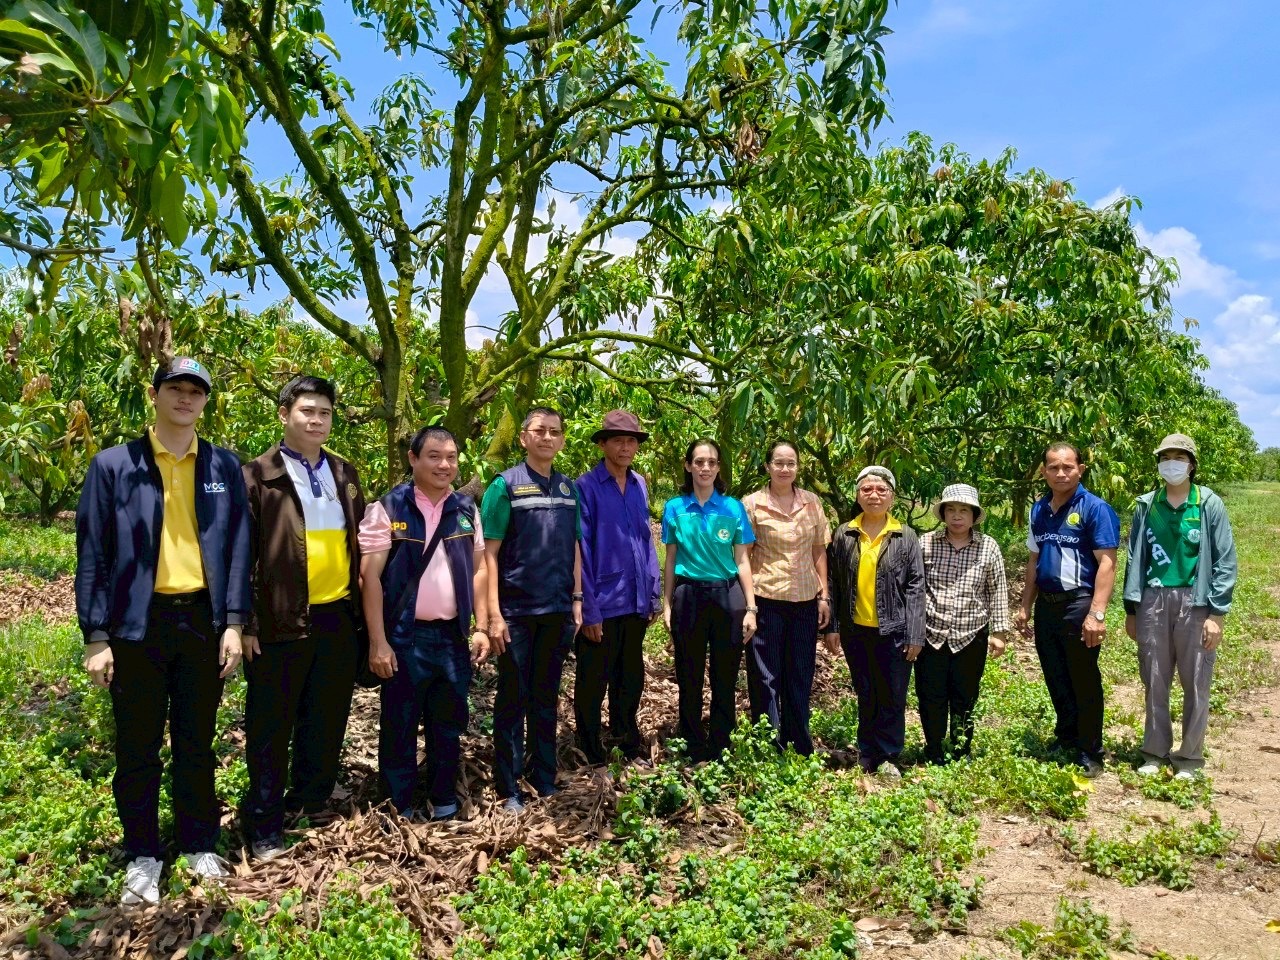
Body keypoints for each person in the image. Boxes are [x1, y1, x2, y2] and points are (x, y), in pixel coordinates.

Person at [75, 357, 250, 905]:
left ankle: (199, 845)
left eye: (196, 391)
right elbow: (93, 552)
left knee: (197, 740)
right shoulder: (114, 465)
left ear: (205, 401)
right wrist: (96, 635)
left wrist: (234, 622)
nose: (185, 398)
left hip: (201, 621)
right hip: (137, 625)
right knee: (139, 744)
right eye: (176, 388)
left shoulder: (223, 466)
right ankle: (143, 855)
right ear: (154, 395)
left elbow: (238, 549)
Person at [239, 376, 366, 860]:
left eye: (324, 413)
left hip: (337, 614)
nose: (316, 420)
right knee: (271, 724)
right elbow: (240, 555)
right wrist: (246, 622)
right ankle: (264, 823)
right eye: (307, 411)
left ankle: (312, 800)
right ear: (284, 414)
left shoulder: (343, 472)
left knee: (327, 714)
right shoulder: (258, 476)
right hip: (280, 617)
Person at [360, 426, 489, 820]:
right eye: (434, 456)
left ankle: (444, 801)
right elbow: (369, 577)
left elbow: (480, 569)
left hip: (452, 637)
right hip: (405, 636)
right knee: (399, 724)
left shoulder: (465, 509)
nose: (444, 465)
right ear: (413, 459)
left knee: (448, 723)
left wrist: (481, 626)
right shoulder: (389, 508)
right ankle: (396, 808)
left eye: (451, 457)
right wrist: (379, 641)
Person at [482, 407, 583, 812]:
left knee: (545, 696)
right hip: (516, 611)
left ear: (562, 440)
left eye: (554, 432)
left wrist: (577, 599)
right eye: (539, 431)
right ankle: (508, 787)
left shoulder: (568, 488)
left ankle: (544, 776)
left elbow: (574, 546)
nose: (547, 438)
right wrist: (493, 614)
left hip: (557, 609)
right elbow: (488, 554)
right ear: (524, 437)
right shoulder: (504, 485)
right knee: (513, 698)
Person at [1122, 434, 1237, 779]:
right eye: (1165, 457)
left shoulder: (1207, 503)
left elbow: (1225, 559)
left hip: (1195, 601)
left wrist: (1216, 613)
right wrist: (1131, 609)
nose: (1171, 463)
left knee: (1196, 680)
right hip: (1153, 600)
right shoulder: (1147, 505)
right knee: (1154, 678)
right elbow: (1134, 557)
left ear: (1192, 464)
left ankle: (1189, 758)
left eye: (1179, 457)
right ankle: (1155, 752)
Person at [1014, 442, 1119, 779]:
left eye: (1068, 467)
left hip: (1079, 603)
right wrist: (1025, 605)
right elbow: (1034, 560)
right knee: (1055, 674)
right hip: (1047, 605)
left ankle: (1090, 749)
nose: (1061, 473)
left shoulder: (1095, 508)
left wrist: (1096, 614)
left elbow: (1107, 563)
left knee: (1083, 677)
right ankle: (1066, 736)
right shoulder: (1039, 509)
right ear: (1044, 472)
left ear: (1080, 470)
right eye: (1053, 467)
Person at [824, 465, 924, 777]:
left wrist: (915, 634)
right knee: (866, 692)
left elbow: (916, 586)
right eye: (867, 489)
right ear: (857, 495)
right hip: (855, 630)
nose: (874, 495)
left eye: (882, 489)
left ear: (892, 497)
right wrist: (832, 627)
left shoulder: (905, 536)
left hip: (894, 630)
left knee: (892, 694)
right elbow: (834, 583)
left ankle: (889, 754)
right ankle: (867, 752)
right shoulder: (844, 534)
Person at [661, 439, 757, 762]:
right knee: (688, 674)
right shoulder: (675, 507)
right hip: (688, 595)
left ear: (718, 468)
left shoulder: (732, 508)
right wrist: (667, 604)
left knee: (724, 676)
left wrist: (751, 608)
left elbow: (742, 560)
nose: (705, 468)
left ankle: (721, 744)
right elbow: (670, 559)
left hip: (727, 596)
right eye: (699, 462)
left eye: (712, 462)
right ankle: (691, 743)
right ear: (688, 466)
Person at [575, 410, 662, 765]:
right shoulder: (586, 487)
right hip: (603, 598)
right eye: (618, 441)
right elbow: (581, 549)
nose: (625, 448)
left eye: (631, 441)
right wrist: (588, 608)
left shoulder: (639, 483)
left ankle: (625, 736)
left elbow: (645, 538)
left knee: (630, 675)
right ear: (602, 444)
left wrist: (653, 592)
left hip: (635, 597)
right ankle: (589, 743)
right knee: (594, 677)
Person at [741, 441, 831, 755]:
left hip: (805, 600)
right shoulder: (752, 504)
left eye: (790, 463)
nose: (784, 469)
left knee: (800, 672)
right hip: (766, 598)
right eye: (778, 462)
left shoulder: (811, 502)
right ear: (767, 466)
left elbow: (818, 551)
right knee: (765, 676)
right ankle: (768, 746)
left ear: (798, 467)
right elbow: (743, 556)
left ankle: (798, 743)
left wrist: (824, 595)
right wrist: (749, 605)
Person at [916, 483, 1010, 764]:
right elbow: (914, 587)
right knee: (930, 694)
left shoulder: (988, 546)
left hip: (971, 632)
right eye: (951, 510)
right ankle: (933, 748)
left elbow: (997, 590)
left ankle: (960, 749)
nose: (957, 516)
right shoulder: (926, 543)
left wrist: (1000, 632)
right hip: (931, 632)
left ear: (974, 515)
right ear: (943, 514)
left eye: (964, 511)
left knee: (965, 694)